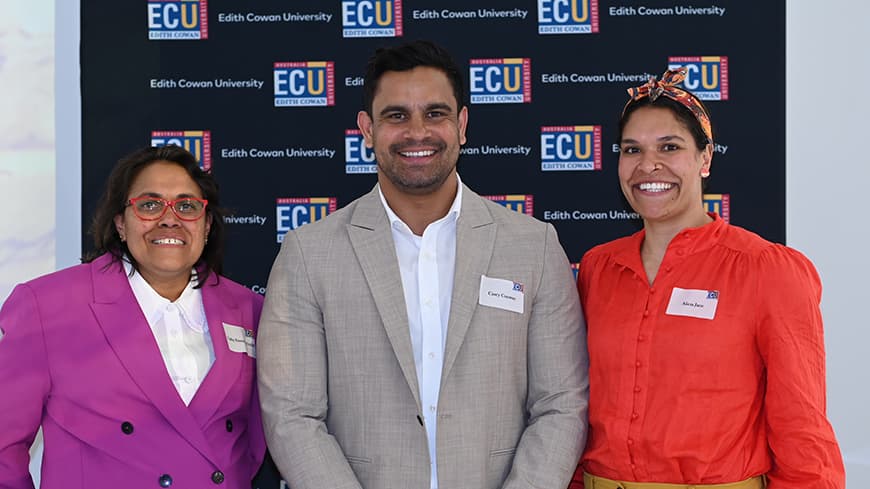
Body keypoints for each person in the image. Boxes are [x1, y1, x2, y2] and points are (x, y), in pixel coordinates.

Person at [258, 40, 589, 489]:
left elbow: (561, 404)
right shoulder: (308, 253)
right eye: (396, 115)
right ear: (367, 129)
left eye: (435, 114)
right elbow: (292, 415)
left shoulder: (533, 246)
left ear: (463, 124)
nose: (418, 132)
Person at [570, 68, 845, 488]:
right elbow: (573, 408)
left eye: (670, 146)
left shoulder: (765, 269)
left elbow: (801, 427)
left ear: (705, 158)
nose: (648, 165)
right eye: (631, 149)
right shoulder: (597, 268)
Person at [0, 146, 266, 489]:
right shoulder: (46, 306)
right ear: (120, 224)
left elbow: (258, 439)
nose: (169, 219)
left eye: (187, 206)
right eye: (150, 205)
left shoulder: (250, 309)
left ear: (207, 225)